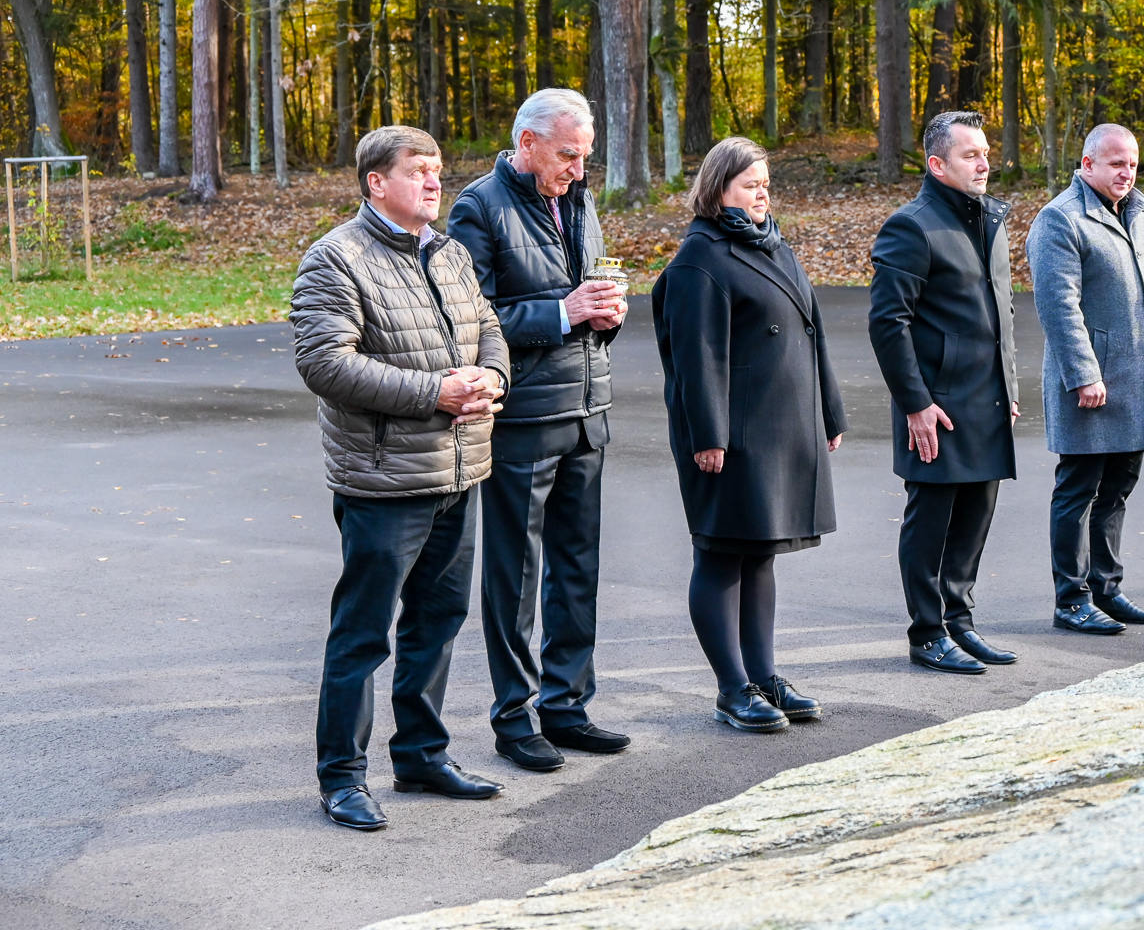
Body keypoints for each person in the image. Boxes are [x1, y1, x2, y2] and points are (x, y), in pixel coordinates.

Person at [293, 126, 510, 831]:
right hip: (383, 483)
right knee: (363, 635)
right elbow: (326, 364)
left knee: (437, 624)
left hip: (458, 470)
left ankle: (420, 754)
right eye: (418, 171)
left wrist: (492, 376)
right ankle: (343, 779)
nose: (434, 182)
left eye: (438, 170)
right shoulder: (335, 258)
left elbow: (488, 325)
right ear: (375, 183)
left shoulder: (449, 254)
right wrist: (434, 393)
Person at [445, 89, 630, 773]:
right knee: (516, 577)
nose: (579, 170)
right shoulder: (478, 207)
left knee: (577, 572)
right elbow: (473, 320)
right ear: (526, 143)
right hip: (522, 419)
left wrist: (608, 315)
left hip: (587, 412)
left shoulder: (577, 198)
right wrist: (563, 311)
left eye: (584, 157)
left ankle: (567, 706)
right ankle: (513, 718)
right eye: (567, 155)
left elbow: (590, 298)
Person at [651, 138, 847, 732]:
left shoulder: (774, 245)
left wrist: (830, 414)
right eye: (749, 184)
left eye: (765, 183)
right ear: (717, 191)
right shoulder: (700, 259)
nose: (762, 193)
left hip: (782, 426)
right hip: (729, 436)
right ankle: (732, 688)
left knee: (760, 555)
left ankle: (763, 677)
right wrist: (708, 436)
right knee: (720, 556)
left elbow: (811, 334)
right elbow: (697, 357)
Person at [869, 111, 1020, 675]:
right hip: (936, 404)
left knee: (976, 516)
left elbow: (1000, 312)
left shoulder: (989, 219)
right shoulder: (911, 226)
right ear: (937, 164)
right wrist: (915, 404)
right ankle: (927, 632)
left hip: (987, 401)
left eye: (985, 153)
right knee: (931, 521)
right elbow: (889, 324)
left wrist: (1008, 385)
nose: (984, 164)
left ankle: (959, 621)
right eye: (970, 155)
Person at [1026, 124, 1144, 634]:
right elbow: (1058, 308)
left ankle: (1107, 590)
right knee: (1078, 490)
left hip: (1137, 381)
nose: (1126, 172)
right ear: (1088, 163)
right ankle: (1071, 600)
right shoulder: (1061, 220)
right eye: (1116, 163)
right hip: (1092, 387)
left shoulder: (1136, 213)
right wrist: (1083, 375)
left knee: (1118, 489)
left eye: (1133, 163)